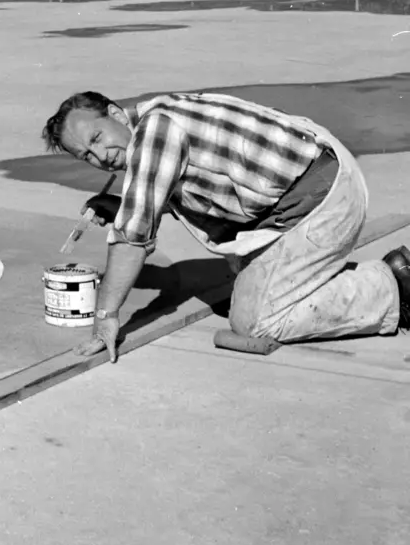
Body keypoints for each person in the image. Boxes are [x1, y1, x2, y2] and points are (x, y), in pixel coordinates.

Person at [40, 89, 410, 362]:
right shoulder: (157, 118)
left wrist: (105, 316)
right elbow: (170, 195)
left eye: (97, 138)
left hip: (324, 202)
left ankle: (393, 284)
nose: (100, 156)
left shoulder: (156, 132)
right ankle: (327, 275)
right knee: (251, 287)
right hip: (312, 182)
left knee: (256, 322)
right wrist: (123, 205)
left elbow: (132, 238)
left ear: (116, 114)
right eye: (86, 155)